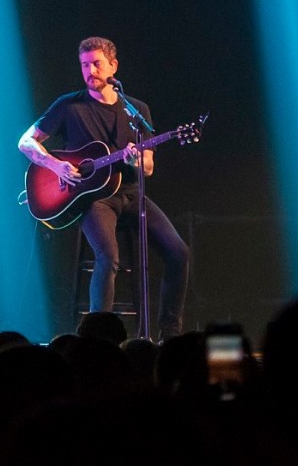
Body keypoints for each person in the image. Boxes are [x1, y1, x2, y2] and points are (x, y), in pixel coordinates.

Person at [18, 37, 190, 338]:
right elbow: (26, 141)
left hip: (132, 195)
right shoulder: (69, 106)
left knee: (179, 253)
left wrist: (138, 161)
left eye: (97, 63)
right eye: (85, 65)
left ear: (114, 66)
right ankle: (98, 339)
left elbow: (149, 166)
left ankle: (169, 333)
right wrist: (55, 165)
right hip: (95, 200)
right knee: (108, 257)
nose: (90, 71)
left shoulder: (137, 111)